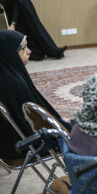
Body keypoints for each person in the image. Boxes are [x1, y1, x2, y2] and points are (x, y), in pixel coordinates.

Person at [0, 30, 71, 159]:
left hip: (8, 145)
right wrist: (60, 125)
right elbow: (31, 120)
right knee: (85, 128)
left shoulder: (6, 76)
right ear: (9, 52)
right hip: (30, 145)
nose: (29, 51)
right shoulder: (14, 84)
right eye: (23, 48)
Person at [0, 0, 66, 60]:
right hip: (14, 18)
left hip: (25, 15)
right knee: (23, 37)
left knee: (37, 32)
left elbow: (17, 8)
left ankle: (54, 51)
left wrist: (13, 24)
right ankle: (36, 54)